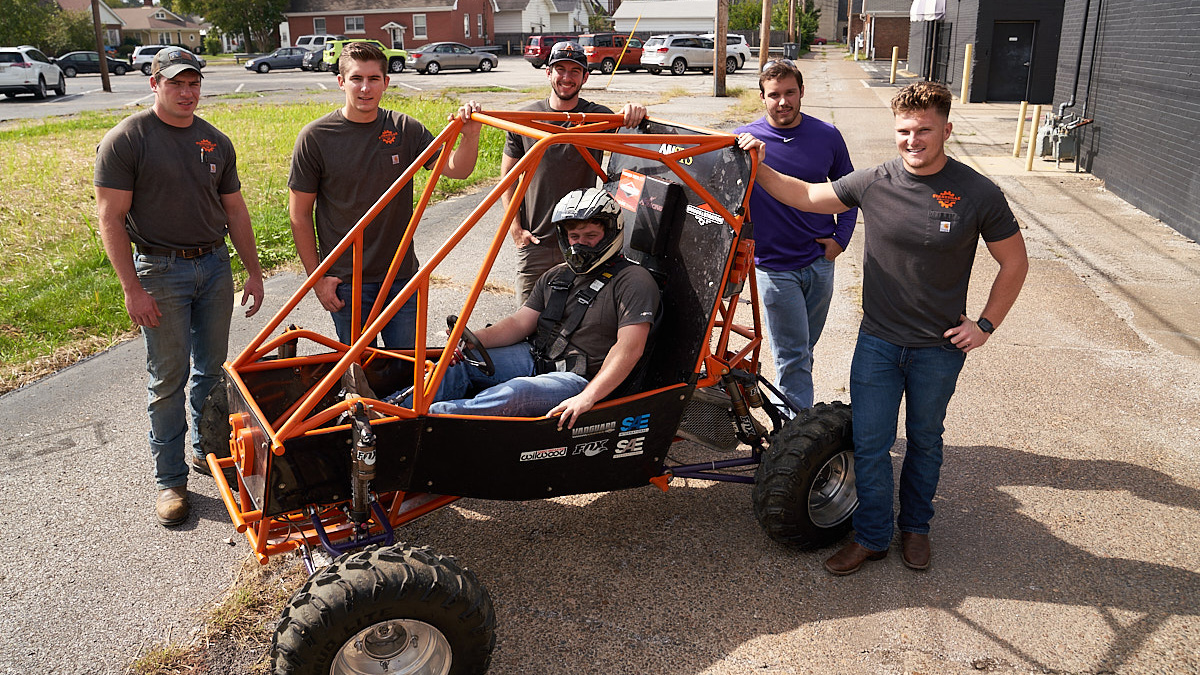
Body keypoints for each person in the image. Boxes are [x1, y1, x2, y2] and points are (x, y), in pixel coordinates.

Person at [738, 81, 1028, 574]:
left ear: (946, 130)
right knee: (871, 444)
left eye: (924, 130)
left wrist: (984, 325)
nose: (912, 140)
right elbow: (807, 196)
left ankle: (915, 529)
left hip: (938, 348)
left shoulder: (977, 192)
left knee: (924, 440)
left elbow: (1015, 262)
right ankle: (872, 536)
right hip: (877, 344)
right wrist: (758, 165)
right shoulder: (875, 181)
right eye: (904, 130)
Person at [94, 48, 265, 527]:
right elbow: (110, 218)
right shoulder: (128, 139)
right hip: (161, 273)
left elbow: (234, 210)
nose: (187, 94)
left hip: (212, 267)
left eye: (193, 85)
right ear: (154, 84)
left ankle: (206, 452)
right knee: (166, 378)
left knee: (211, 370)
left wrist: (251, 271)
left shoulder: (214, 142)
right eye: (176, 84)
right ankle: (170, 482)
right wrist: (132, 288)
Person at [289, 41, 482, 349]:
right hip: (346, 283)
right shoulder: (315, 137)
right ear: (341, 82)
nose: (365, 88)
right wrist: (317, 280)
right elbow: (299, 215)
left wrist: (469, 136)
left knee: (402, 369)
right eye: (356, 78)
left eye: (373, 79)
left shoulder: (405, 129)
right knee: (360, 371)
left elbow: (456, 170)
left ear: (386, 82)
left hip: (401, 277)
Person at [425, 188, 659, 429]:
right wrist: (472, 340)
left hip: (580, 379)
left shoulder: (633, 281)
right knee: (458, 363)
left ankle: (429, 419)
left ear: (610, 233)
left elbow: (629, 348)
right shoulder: (556, 276)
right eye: (575, 236)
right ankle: (395, 410)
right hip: (536, 356)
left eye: (591, 235)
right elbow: (519, 323)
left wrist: (587, 397)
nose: (581, 245)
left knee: (517, 393)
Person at [734, 59, 857, 412]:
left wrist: (840, 240)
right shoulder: (745, 142)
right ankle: (795, 431)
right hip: (774, 267)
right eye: (774, 95)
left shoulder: (827, 136)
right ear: (762, 97)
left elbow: (849, 193)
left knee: (802, 349)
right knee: (792, 354)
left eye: (790, 93)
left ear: (802, 92)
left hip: (820, 263)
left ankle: (792, 412)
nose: (783, 101)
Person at [500, 41, 647, 305]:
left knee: (577, 324)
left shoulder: (598, 117)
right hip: (537, 242)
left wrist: (633, 112)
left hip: (585, 244)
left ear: (585, 77)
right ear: (548, 73)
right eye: (560, 69)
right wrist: (515, 228)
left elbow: (635, 144)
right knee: (525, 321)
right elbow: (507, 178)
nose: (566, 77)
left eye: (575, 71)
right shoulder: (525, 117)